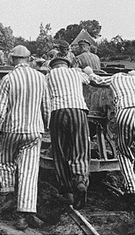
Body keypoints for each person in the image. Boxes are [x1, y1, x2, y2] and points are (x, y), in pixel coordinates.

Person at [0, 45, 50, 230]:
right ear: (29, 58)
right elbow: (47, 106)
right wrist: (46, 127)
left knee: (6, 161)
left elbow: (0, 110)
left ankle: (8, 195)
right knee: (29, 172)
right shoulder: (41, 78)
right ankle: (24, 216)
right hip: (33, 131)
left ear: (12, 59)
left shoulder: (8, 79)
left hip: (11, 130)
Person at [91, 71, 135, 217]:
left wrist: (89, 73)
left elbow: (97, 80)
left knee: (123, 152)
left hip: (126, 112)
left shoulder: (116, 77)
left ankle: (131, 191)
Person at [46, 57, 91, 210]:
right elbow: (89, 78)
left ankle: (66, 191)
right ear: (67, 65)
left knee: (59, 151)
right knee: (80, 148)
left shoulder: (49, 75)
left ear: (53, 67)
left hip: (57, 111)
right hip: (78, 111)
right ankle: (79, 180)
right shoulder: (76, 73)